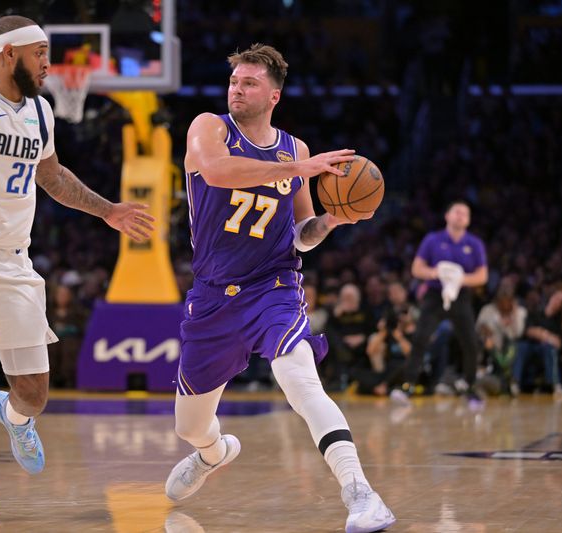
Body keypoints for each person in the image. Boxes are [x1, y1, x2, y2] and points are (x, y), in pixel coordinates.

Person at [0, 2, 154, 522]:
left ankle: (14, 418)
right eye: (41, 54)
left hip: (12, 263)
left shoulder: (41, 112)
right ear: (7, 53)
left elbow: (53, 177)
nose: (49, 65)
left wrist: (107, 211)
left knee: (34, 395)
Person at [166, 44, 395, 533]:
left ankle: (361, 493)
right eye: (234, 82)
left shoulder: (297, 150)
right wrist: (297, 172)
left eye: (248, 84)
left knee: (299, 378)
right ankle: (215, 453)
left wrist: (334, 218)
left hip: (273, 285)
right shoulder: (209, 127)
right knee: (189, 426)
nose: (237, 90)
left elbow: (301, 234)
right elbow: (217, 171)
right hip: (211, 295)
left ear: (272, 95)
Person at [391, 200, 488, 409]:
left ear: (469, 220)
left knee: (471, 342)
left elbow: (482, 275)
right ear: (447, 215)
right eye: (457, 211)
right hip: (435, 294)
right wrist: (435, 273)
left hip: (460, 295)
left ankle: (469, 386)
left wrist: (459, 279)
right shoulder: (433, 240)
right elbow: (417, 268)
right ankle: (408, 386)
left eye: (465, 213)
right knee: (420, 338)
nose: (461, 215)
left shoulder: (474, 244)